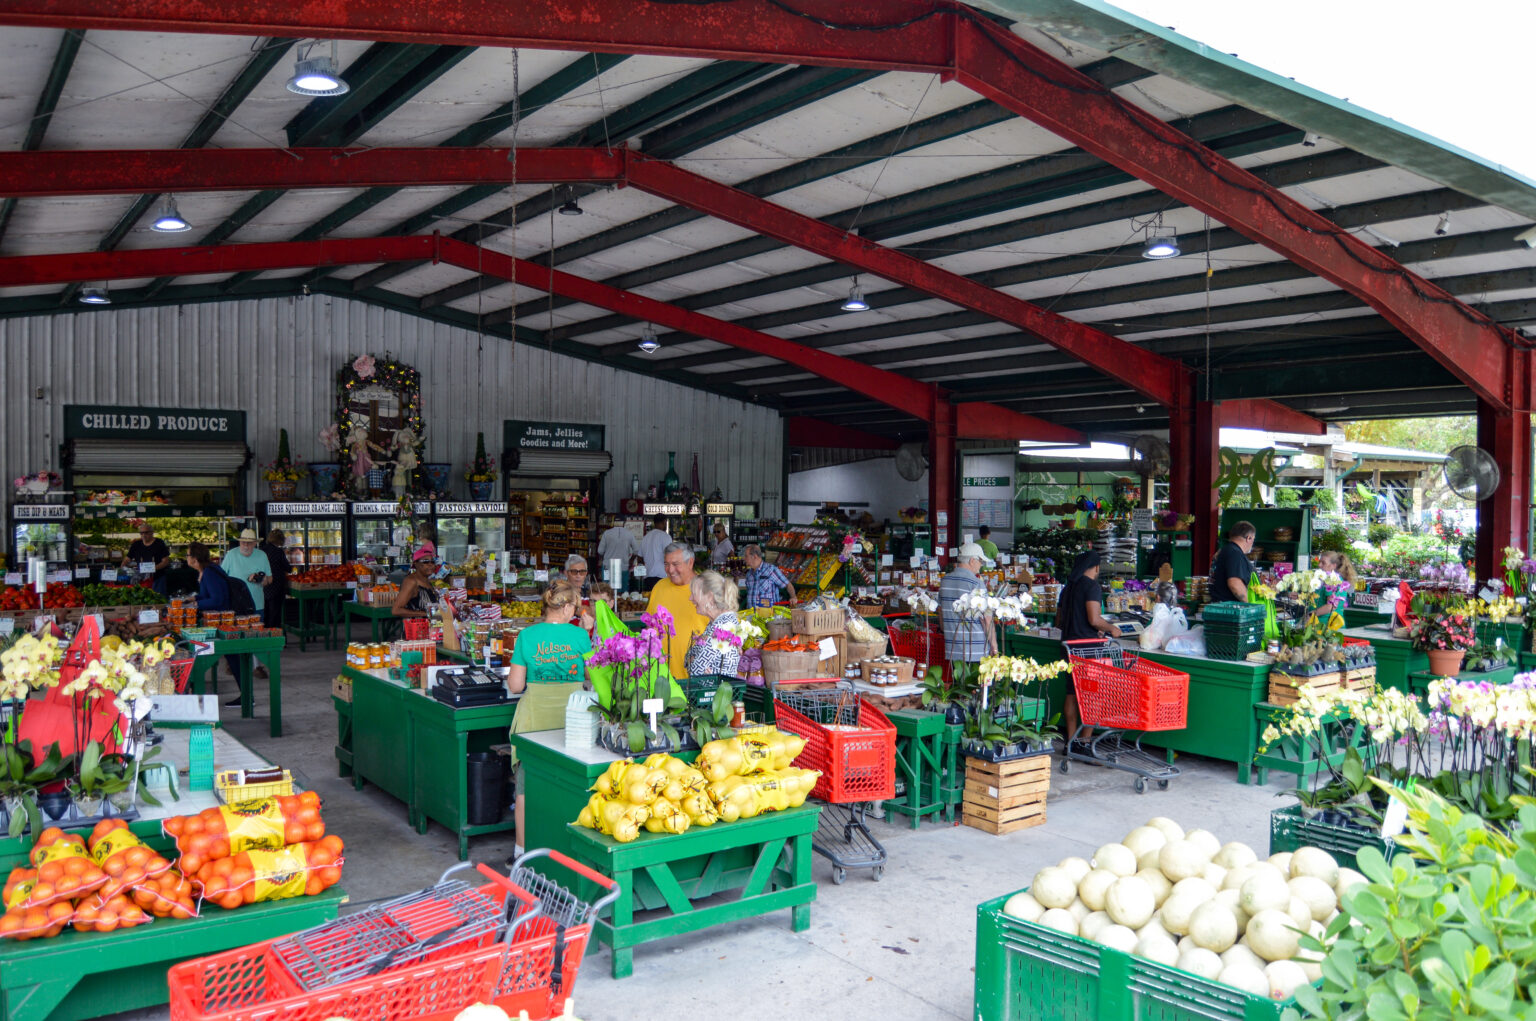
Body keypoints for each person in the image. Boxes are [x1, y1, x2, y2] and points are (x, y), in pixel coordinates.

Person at [506, 579, 594, 839]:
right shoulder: (579, 635)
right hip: (573, 723)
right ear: (566, 607)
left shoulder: (527, 635)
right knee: (569, 786)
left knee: (524, 790)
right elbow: (592, 676)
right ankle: (565, 845)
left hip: (534, 723)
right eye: (576, 608)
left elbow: (515, 685)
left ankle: (521, 851)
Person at [1055, 550, 1121, 739]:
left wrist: (1090, 627)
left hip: (1068, 647)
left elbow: (1059, 621)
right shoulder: (1091, 586)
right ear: (1097, 567)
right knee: (1093, 696)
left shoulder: (1067, 588)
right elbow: (1094, 619)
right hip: (1088, 650)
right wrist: (1111, 628)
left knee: (1071, 693)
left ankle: (1071, 741)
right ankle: (1084, 742)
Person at [187, 542, 249, 709]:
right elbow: (210, 595)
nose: (186, 558)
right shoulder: (209, 570)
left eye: (188, 555)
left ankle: (247, 696)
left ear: (194, 558)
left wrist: (196, 606)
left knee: (233, 658)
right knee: (233, 658)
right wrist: (195, 599)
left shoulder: (209, 573)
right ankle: (246, 695)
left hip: (223, 622)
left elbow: (217, 599)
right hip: (220, 620)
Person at [644, 542, 708, 678]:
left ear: (690, 563)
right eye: (666, 564)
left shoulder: (706, 589)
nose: (670, 570)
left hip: (695, 677)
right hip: (660, 677)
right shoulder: (659, 587)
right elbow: (649, 625)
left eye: (675, 564)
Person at [939, 542, 998, 665]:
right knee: (977, 683)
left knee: (959, 682)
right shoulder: (976, 583)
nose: (981, 565)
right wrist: (994, 646)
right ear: (972, 561)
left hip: (953, 648)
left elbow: (941, 612)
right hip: (975, 649)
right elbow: (986, 619)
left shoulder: (944, 581)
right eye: (980, 561)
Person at [685, 570, 743, 678]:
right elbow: (688, 659)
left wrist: (692, 659)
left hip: (715, 693)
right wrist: (692, 659)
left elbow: (694, 670)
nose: (690, 598)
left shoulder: (724, 627)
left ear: (710, 597)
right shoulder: (718, 622)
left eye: (694, 594)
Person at [392, 543, 444, 619]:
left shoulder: (427, 580)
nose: (430, 564)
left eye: (432, 562)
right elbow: (396, 610)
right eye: (425, 561)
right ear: (416, 564)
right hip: (417, 628)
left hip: (431, 627)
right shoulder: (411, 581)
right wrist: (426, 614)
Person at [1210, 521, 1256, 602]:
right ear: (1249, 538)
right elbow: (1235, 583)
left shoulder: (1224, 550)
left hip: (1220, 604)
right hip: (1231, 609)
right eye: (1253, 539)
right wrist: (1250, 605)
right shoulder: (1235, 553)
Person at [258, 528, 291, 643]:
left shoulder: (261, 551)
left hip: (264, 586)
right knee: (275, 615)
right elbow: (288, 568)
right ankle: (276, 639)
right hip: (277, 587)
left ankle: (265, 638)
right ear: (280, 540)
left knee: (265, 613)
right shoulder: (279, 552)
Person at [741, 544, 796, 609]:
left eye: (746, 556)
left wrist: (793, 597)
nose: (744, 558)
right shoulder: (749, 574)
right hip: (751, 615)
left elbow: (787, 584)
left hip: (769, 615)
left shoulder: (771, 570)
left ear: (755, 556)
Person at [127, 522, 171, 597]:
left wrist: (152, 569)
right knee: (142, 599)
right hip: (141, 579)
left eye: (146, 533)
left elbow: (166, 561)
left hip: (157, 578)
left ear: (152, 533)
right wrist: (122, 568)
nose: (143, 535)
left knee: (158, 599)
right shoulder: (136, 544)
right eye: (141, 533)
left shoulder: (159, 543)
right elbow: (127, 558)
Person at [596, 519, 640, 590]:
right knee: (622, 593)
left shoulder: (607, 533)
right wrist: (631, 560)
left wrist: (606, 556)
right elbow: (636, 550)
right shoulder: (629, 534)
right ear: (624, 522)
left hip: (608, 567)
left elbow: (600, 551)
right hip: (623, 567)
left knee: (606, 591)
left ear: (613, 522)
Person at [637, 514, 671, 593]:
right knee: (661, 603)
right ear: (664, 522)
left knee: (650, 601)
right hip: (662, 577)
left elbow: (639, 558)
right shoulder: (665, 537)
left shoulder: (646, 537)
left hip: (647, 578)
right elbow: (670, 556)